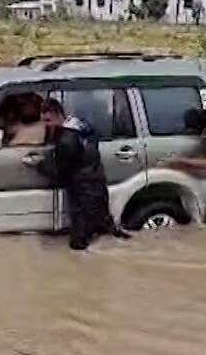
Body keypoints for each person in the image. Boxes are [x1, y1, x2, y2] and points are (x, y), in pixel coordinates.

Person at [23, 98, 130, 250]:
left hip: (82, 194)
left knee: (78, 244)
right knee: (106, 229)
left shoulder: (66, 141)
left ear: (57, 114)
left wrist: (38, 165)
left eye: (47, 120)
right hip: (98, 186)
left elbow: (60, 173)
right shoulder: (82, 125)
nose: (46, 125)